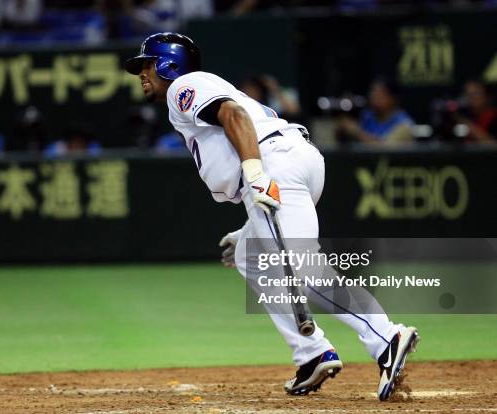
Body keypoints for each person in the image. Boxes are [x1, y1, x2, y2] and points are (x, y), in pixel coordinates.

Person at [125, 32, 419, 401]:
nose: (142, 73)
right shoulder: (192, 89)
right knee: (251, 255)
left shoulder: (183, 86)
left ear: (169, 63)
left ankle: (385, 337)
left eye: (147, 64)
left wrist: (256, 175)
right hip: (285, 163)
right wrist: (250, 225)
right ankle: (312, 353)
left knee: (304, 270)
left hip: (271, 166)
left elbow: (232, 115)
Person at [336, 79, 414, 146]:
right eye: (372, 94)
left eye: (379, 95)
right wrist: (344, 130)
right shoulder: (367, 117)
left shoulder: (404, 124)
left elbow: (384, 150)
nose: (373, 98)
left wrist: (357, 132)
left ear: (392, 99)